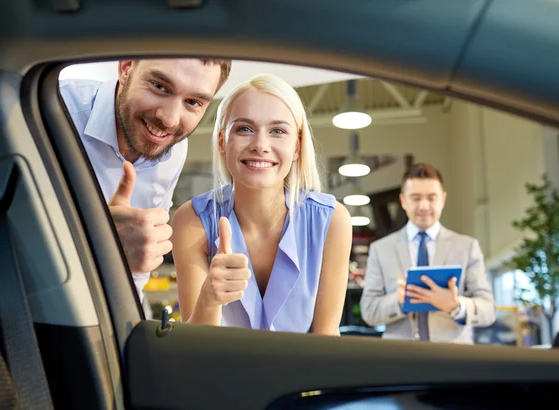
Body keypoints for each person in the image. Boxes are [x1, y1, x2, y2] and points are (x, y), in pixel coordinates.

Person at [0, 58, 232, 306]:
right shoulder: (45, 112)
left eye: (193, 102)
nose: (170, 119)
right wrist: (99, 241)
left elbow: (135, 263)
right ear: (126, 68)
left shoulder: (172, 147)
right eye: (160, 86)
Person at [171, 73, 352, 335]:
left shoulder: (332, 221)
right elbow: (196, 350)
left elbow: (326, 340)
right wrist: (209, 299)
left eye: (277, 131)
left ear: (298, 146)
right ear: (222, 142)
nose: (260, 145)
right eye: (244, 129)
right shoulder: (192, 220)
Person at [360, 163, 496, 344]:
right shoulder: (381, 249)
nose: (424, 206)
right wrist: (399, 301)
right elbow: (368, 311)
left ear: (443, 199)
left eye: (432, 198)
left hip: (453, 361)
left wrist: (455, 305)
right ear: (403, 201)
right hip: (400, 360)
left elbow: (488, 310)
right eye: (415, 198)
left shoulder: (467, 247)